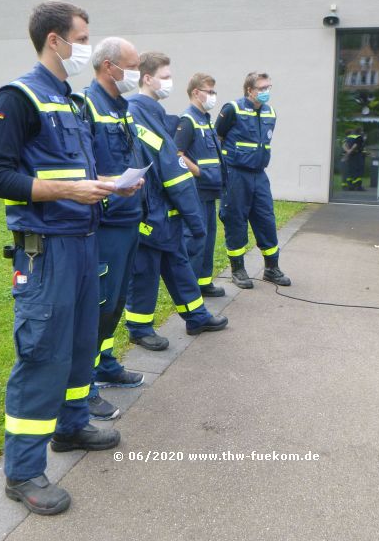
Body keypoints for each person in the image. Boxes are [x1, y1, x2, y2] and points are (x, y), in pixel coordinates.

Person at [0, 1, 137, 515]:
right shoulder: (18, 96)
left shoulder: (69, 101)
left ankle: (70, 427)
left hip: (83, 241)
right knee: (42, 355)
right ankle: (22, 473)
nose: (86, 48)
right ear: (55, 39)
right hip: (46, 253)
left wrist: (108, 188)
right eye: (82, 37)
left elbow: (75, 170)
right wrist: (70, 189)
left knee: (79, 343)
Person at [124, 52, 228, 347]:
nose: (170, 82)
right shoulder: (139, 111)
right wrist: (195, 220)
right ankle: (139, 328)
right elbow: (171, 170)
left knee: (178, 264)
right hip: (151, 210)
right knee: (145, 270)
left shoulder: (151, 111)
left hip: (164, 210)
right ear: (147, 78)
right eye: (166, 77)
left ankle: (196, 316)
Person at [73, 37, 146, 421]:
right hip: (105, 221)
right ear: (108, 66)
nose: (137, 73)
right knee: (97, 303)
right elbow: (81, 170)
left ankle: (105, 363)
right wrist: (114, 183)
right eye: (133, 66)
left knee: (115, 300)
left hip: (128, 216)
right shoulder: (86, 106)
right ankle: (82, 387)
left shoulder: (122, 107)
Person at [215, 72, 291, 289]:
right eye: (262, 88)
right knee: (235, 219)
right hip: (235, 174)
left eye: (269, 87)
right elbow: (217, 138)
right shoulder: (232, 109)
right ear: (249, 90)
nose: (266, 92)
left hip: (259, 175)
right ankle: (238, 270)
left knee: (266, 218)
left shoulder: (270, 113)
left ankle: (271, 268)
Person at [174, 73, 225, 298]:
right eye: (209, 92)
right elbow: (177, 154)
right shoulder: (188, 120)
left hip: (210, 191)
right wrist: (201, 173)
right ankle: (191, 289)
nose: (213, 96)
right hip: (196, 190)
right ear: (196, 92)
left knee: (208, 239)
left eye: (214, 92)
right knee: (195, 241)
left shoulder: (206, 119)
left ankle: (204, 283)